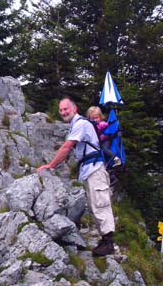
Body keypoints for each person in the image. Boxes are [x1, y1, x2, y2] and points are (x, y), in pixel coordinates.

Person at [37, 98, 116, 256]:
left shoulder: (80, 124)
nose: (63, 112)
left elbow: (67, 146)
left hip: (95, 170)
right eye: (61, 110)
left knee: (100, 204)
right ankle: (105, 242)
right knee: (95, 205)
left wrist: (50, 165)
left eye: (66, 109)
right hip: (90, 170)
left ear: (74, 108)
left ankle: (108, 243)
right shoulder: (77, 125)